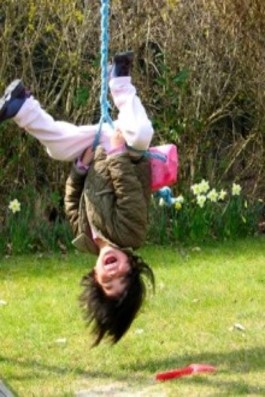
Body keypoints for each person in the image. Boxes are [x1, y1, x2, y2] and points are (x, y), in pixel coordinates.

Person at [0, 52, 155, 346]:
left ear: (94, 275)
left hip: (95, 153)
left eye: (106, 281)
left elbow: (72, 203)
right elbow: (128, 191)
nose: (111, 273)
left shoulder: (85, 239)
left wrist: (80, 169)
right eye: (121, 277)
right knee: (143, 133)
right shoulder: (131, 233)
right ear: (132, 267)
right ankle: (120, 82)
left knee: (58, 148)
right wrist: (118, 153)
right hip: (126, 152)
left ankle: (21, 106)